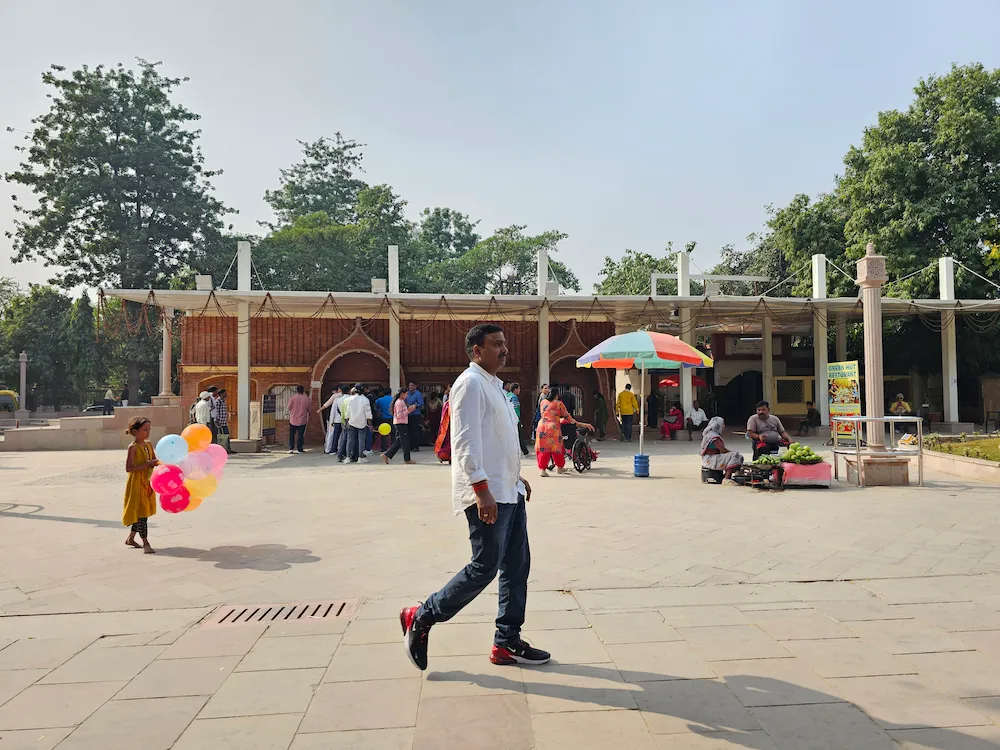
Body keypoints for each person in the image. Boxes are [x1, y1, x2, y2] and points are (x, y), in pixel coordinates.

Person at [401, 323, 549, 671]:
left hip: (507, 491)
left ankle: (507, 641)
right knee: (483, 568)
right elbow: (464, 442)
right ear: (476, 351)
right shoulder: (469, 384)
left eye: (505, 344)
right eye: (496, 344)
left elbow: (496, 440)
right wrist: (482, 490)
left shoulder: (493, 387)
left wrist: (515, 477)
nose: (504, 350)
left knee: (517, 567)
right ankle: (422, 616)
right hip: (487, 495)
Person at [536, 389, 593, 477]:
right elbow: (567, 417)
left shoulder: (543, 402)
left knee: (543, 448)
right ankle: (560, 467)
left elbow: (547, 414)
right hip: (553, 428)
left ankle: (542, 470)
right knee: (557, 448)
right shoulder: (559, 404)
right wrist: (579, 423)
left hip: (541, 426)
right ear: (557, 395)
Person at [122, 416, 158, 554]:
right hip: (136, 483)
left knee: (143, 512)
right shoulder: (133, 447)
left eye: (149, 429)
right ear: (135, 431)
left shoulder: (148, 444)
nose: (147, 432)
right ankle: (146, 543)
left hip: (147, 482)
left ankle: (130, 538)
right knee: (141, 513)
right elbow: (129, 468)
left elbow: (153, 460)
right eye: (144, 430)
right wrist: (147, 464)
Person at [700, 417, 744, 485]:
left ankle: (727, 476)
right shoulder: (713, 436)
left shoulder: (709, 434)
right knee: (736, 456)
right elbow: (722, 450)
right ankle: (726, 478)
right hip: (711, 460)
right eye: (723, 424)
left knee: (735, 456)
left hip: (709, 459)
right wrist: (733, 453)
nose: (724, 426)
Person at [382, 387, 417, 464]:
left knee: (399, 441)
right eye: (406, 394)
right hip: (400, 423)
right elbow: (399, 415)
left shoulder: (402, 401)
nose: (407, 395)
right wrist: (409, 410)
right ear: (402, 394)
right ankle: (407, 459)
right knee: (405, 442)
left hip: (401, 423)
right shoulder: (399, 402)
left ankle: (387, 454)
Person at [342, 386, 373, 463]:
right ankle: (360, 457)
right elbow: (368, 414)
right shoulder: (365, 400)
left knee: (350, 440)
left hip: (351, 422)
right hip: (362, 423)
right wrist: (370, 424)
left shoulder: (351, 399)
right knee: (361, 440)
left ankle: (348, 457)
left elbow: (347, 413)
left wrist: (347, 422)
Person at [287, 385, 311, 454]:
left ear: (297, 390)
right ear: (303, 391)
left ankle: (291, 448)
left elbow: (289, 407)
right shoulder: (306, 398)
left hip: (293, 419)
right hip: (302, 419)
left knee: (292, 434)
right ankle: (299, 449)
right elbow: (309, 409)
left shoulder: (292, 398)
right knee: (300, 435)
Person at [508, 383, 529, 456]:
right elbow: (515, 409)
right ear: (515, 389)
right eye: (519, 389)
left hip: (508, 419)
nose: (519, 390)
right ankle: (525, 451)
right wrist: (517, 418)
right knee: (520, 436)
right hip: (515, 419)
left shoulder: (507, 395)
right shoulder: (514, 397)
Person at [406, 382, 425, 450]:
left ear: (415, 386)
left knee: (415, 430)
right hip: (408, 414)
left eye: (412, 385)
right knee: (409, 430)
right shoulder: (407, 393)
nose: (410, 386)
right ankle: (410, 446)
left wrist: (414, 405)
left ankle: (415, 446)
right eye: (409, 385)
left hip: (415, 414)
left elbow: (421, 404)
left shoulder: (418, 394)